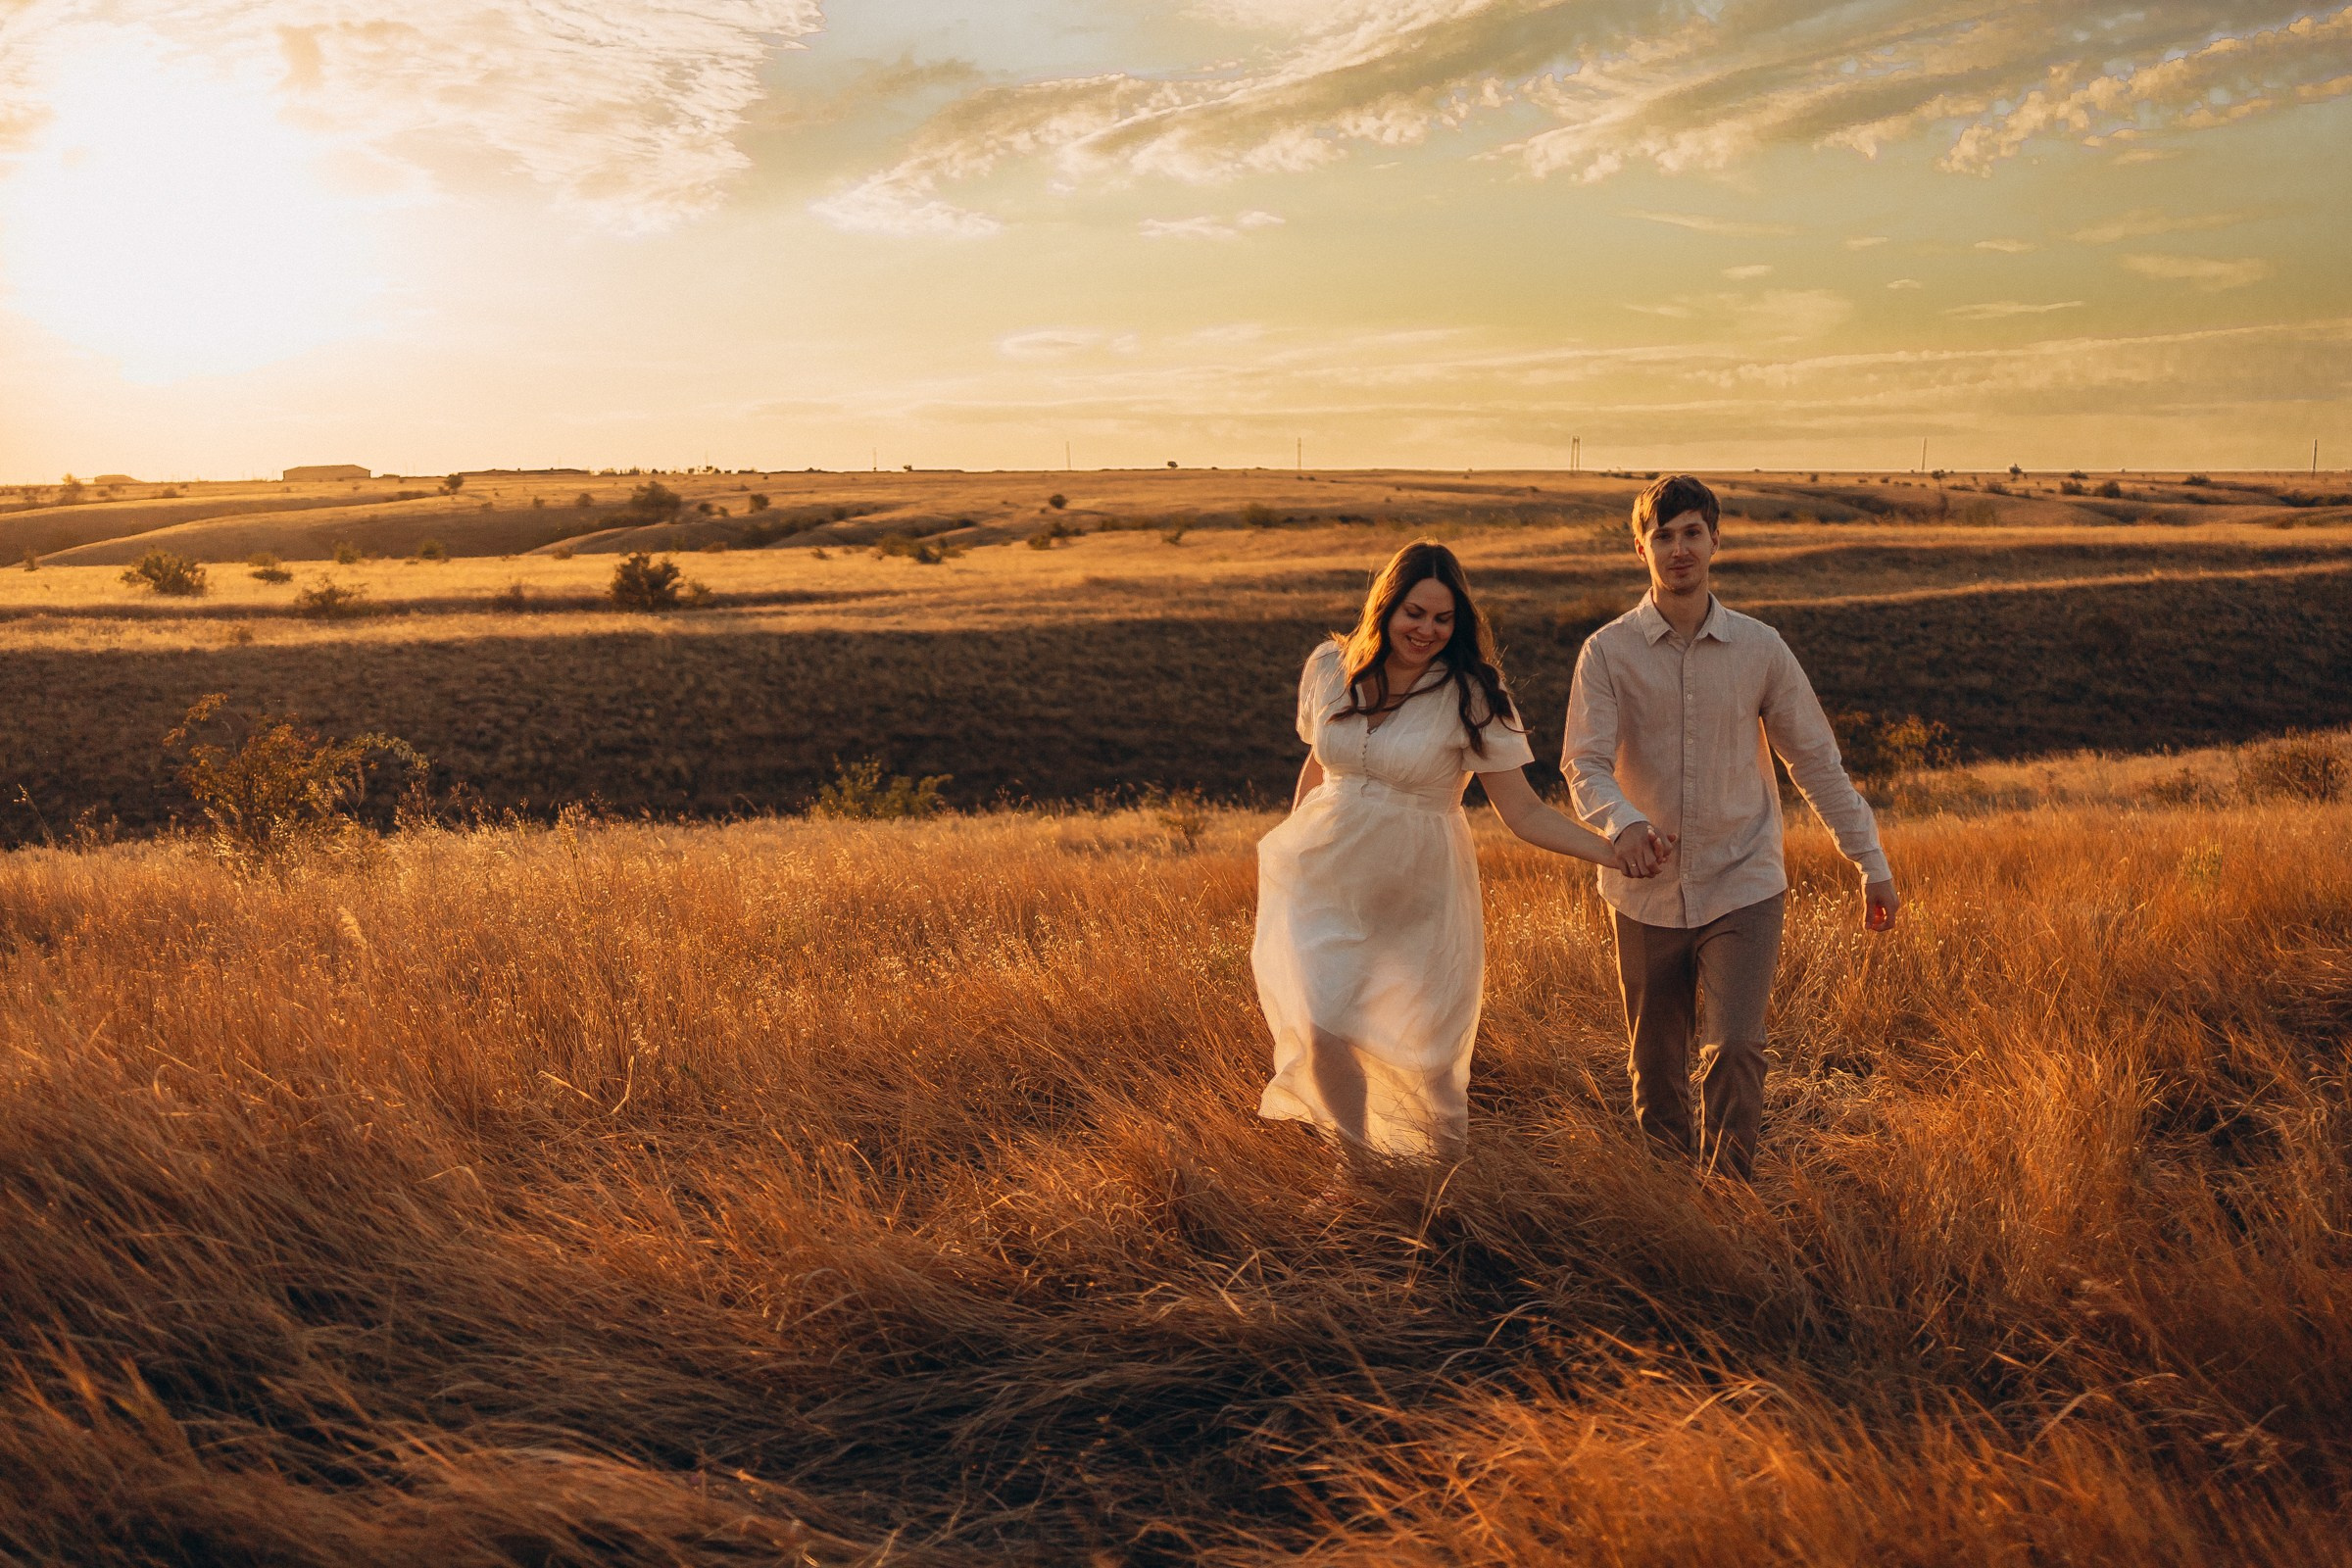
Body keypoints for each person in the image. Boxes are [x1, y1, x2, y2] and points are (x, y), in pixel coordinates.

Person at [1253, 541, 1667, 1160]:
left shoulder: (1473, 694)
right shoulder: (1331, 668)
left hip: (1415, 886)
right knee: (1322, 1024)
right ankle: (1357, 1170)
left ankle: (1438, 1176)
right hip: (1322, 878)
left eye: (1443, 619)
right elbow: (1320, 763)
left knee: (1425, 1046)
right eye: (1415, 613)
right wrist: (1295, 843)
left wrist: (1612, 851)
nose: (1427, 630)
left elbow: (1523, 812)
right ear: (1386, 607)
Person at [1565, 474, 1900, 1179]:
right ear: (1640, 548)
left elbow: (1816, 762)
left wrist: (1869, 860)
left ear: (1716, 539)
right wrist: (1624, 824)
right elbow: (1584, 763)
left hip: (1743, 881)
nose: (1679, 549)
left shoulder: (1761, 648)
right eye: (1663, 536)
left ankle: (1728, 1203)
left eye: (1692, 532)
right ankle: (1670, 1204)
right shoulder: (1607, 652)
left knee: (1737, 1046)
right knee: (1656, 1068)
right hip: (1645, 890)